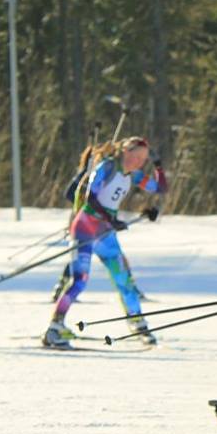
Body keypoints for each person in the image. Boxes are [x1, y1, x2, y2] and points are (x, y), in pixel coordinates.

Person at [41, 136, 168, 349]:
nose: (138, 162)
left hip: (105, 233)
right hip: (86, 228)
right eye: (136, 156)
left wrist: (157, 165)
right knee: (80, 281)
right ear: (125, 151)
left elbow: (160, 188)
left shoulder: (133, 175)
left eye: (143, 159)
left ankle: (138, 323)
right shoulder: (107, 167)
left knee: (124, 279)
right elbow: (91, 197)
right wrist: (112, 220)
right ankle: (55, 328)